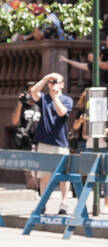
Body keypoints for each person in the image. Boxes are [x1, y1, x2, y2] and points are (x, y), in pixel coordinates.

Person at [26, 71, 74, 213]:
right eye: (51, 83)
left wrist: (54, 97)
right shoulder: (44, 98)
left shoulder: (67, 100)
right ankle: (43, 203)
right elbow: (33, 91)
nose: (53, 85)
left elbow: (61, 112)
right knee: (44, 176)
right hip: (44, 142)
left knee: (64, 176)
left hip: (60, 143)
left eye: (56, 82)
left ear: (62, 84)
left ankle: (64, 203)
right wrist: (46, 77)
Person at [61, 32, 108, 104]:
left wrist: (94, 60)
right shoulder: (104, 53)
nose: (106, 42)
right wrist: (67, 60)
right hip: (101, 88)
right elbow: (84, 66)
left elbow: (106, 66)